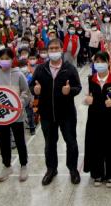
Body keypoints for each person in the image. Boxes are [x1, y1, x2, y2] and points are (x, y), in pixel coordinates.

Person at [31, 38, 82, 186]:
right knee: (49, 144)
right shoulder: (41, 69)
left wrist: (69, 91)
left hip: (67, 114)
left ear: (61, 50)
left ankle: (73, 169)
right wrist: (35, 90)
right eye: (51, 49)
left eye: (56, 48)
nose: (53, 51)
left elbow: (78, 87)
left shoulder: (69, 68)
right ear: (47, 51)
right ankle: (51, 169)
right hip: (47, 114)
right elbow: (32, 85)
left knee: (71, 142)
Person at [0, 49, 33, 183]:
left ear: (13, 59)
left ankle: (23, 165)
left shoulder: (19, 74)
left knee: (20, 141)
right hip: (1, 115)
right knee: (3, 141)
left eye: (7, 58)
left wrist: (19, 102)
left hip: (16, 114)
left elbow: (26, 92)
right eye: (1, 58)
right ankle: (7, 166)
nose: (4, 61)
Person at [83, 51, 111, 187]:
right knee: (95, 145)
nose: (99, 64)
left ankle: (110, 174)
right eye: (97, 61)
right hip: (94, 119)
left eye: (102, 61)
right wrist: (87, 100)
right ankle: (97, 173)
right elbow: (84, 98)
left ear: (108, 63)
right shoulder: (90, 79)